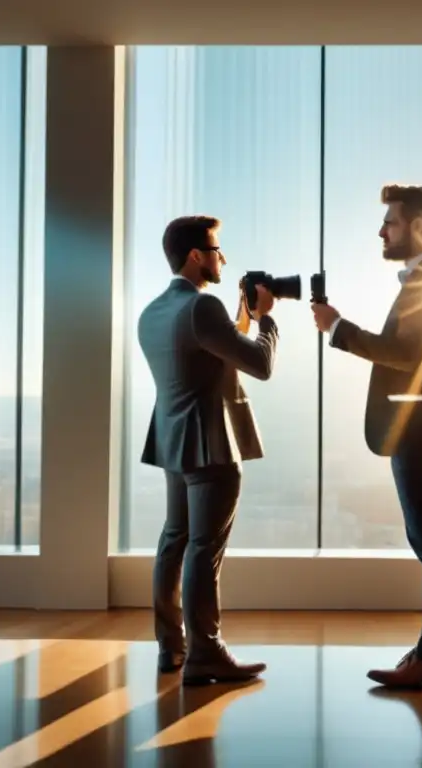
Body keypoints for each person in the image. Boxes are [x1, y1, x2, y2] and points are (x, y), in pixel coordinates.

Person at [311, 184, 422, 688]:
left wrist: (338, 327)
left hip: (418, 423)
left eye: (391, 222)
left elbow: (406, 353)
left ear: (419, 227)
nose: (381, 231)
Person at [138, 214, 277, 685]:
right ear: (196, 256)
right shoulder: (202, 308)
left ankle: (170, 648)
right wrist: (266, 320)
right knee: (204, 549)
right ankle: (206, 653)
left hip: (174, 443)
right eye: (217, 250)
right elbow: (258, 363)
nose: (222, 259)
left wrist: (239, 318)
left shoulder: (153, 312)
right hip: (212, 446)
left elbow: (210, 352)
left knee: (174, 540)